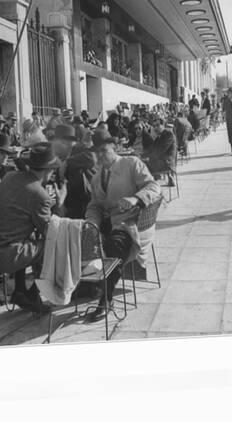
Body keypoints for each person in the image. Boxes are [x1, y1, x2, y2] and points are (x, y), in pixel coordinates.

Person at [0, 142, 67, 313]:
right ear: (49, 170)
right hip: (2, 257)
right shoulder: (39, 194)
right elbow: (52, 233)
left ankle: (21, 291)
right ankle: (32, 295)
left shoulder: (9, 177)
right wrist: (60, 203)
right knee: (53, 246)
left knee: (31, 240)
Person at [85, 130, 161, 321]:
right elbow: (94, 205)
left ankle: (106, 298)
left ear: (114, 147)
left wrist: (135, 199)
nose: (101, 155)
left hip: (133, 223)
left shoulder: (131, 163)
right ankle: (90, 285)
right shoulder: (96, 177)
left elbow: (154, 187)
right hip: (109, 223)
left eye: (104, 150)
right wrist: (91, 223)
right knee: (81, 239)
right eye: (97, 152)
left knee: (114, 245)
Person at [145, 116, 177, 186]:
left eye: (157, 125)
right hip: (161, 161)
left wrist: (148, 158)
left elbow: (160, 151)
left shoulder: (168, 134)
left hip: (166, 163)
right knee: (142, 162)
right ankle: (153, 182)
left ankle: (151, 186)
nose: (155, 128)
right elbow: (152, 149)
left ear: (163, 125)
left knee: (141, 165)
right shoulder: (159, 136)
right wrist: (143, 155)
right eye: (154, 126)